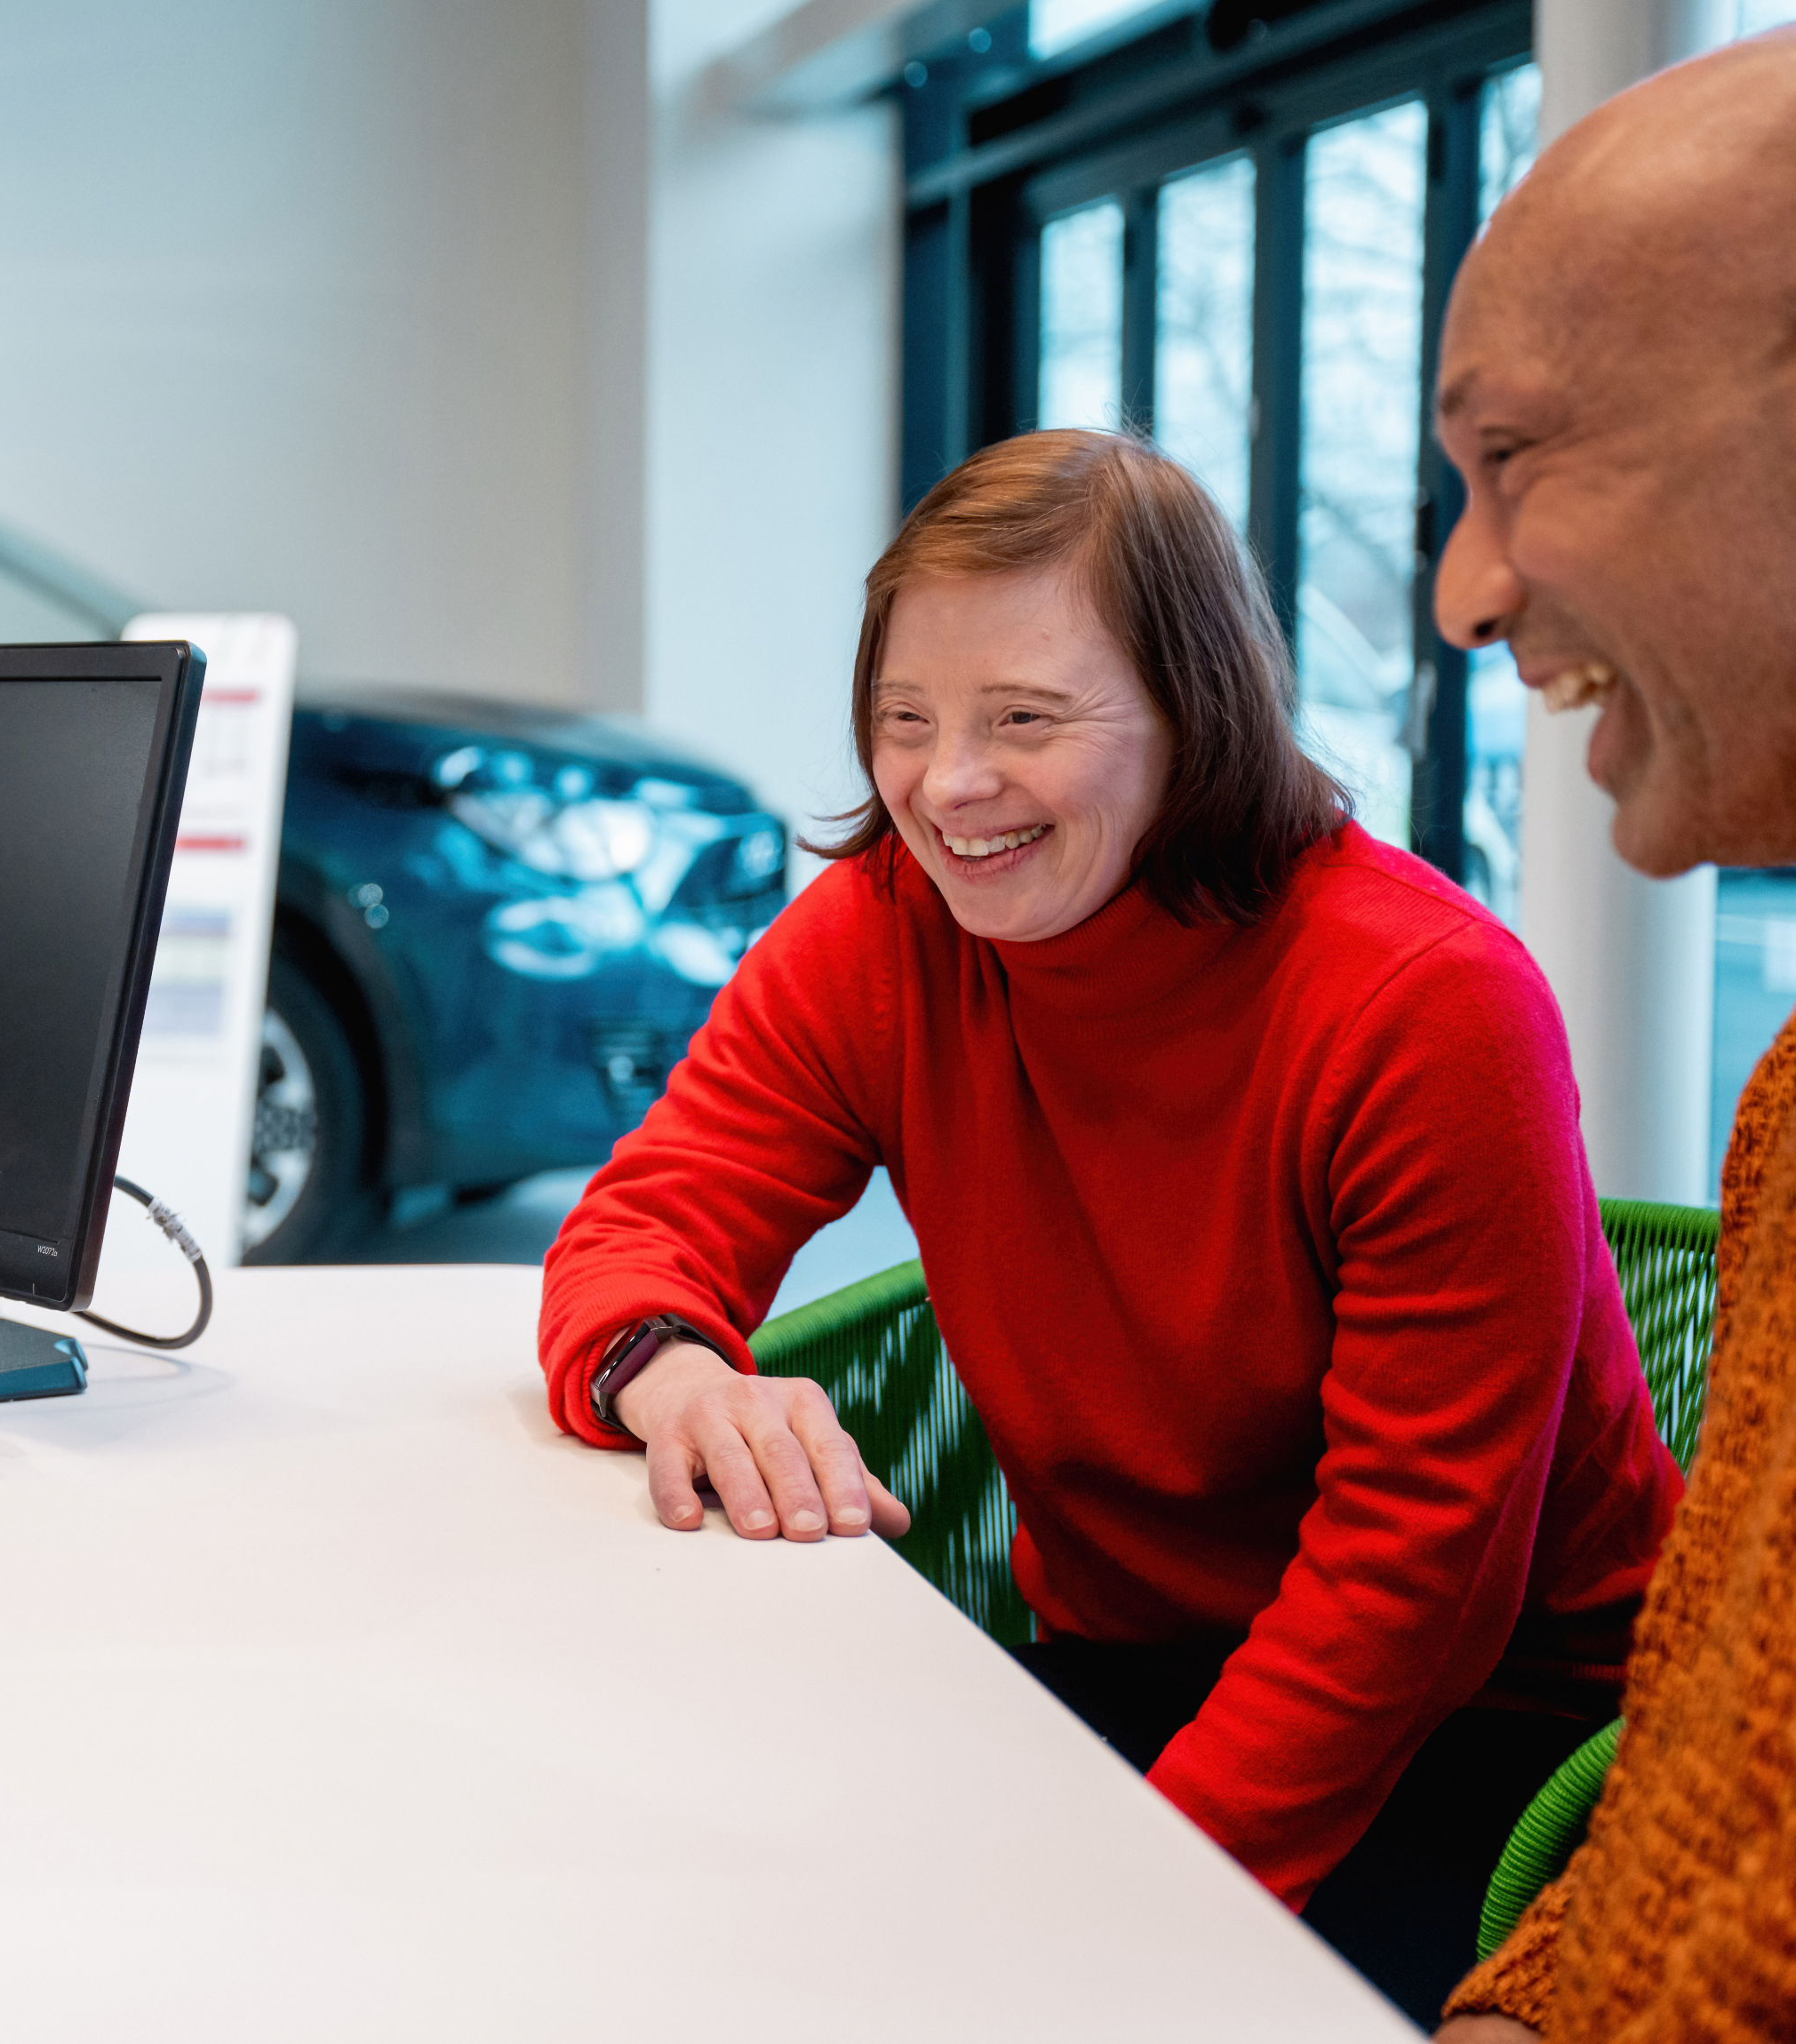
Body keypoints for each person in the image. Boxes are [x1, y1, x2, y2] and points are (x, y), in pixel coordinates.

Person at [537, 428, 1680, 2024]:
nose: (948, 788)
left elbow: (1411, 1589)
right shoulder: (887, 932)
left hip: (1496, 1726)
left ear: (1193, 713)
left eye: (1026, 720)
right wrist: (673, 1370)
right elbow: (646, 1224)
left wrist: (1127, 1898)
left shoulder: (1429, 1009)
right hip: (1127, 1662)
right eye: (905, 721)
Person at [1427, 29, 1796, 2044]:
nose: (1459, 592)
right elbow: (1698, 1774)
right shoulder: (1790, 1104)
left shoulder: (1423, 994)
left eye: (1517, 460)